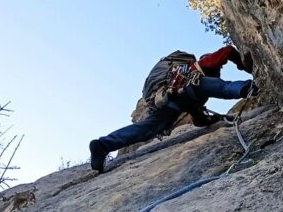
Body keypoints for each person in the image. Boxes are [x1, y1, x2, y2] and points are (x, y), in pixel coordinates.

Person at [88, 45, 254, 173]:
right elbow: (228, 51)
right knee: (222, 87)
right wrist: (243, 65)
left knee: (146, 128)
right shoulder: (200, 67)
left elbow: (199, 119)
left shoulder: (193, 100)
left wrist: (215, 119)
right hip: (185, 84)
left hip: (165, 98)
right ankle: (249, 88)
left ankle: (104, 145)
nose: (218, 70)